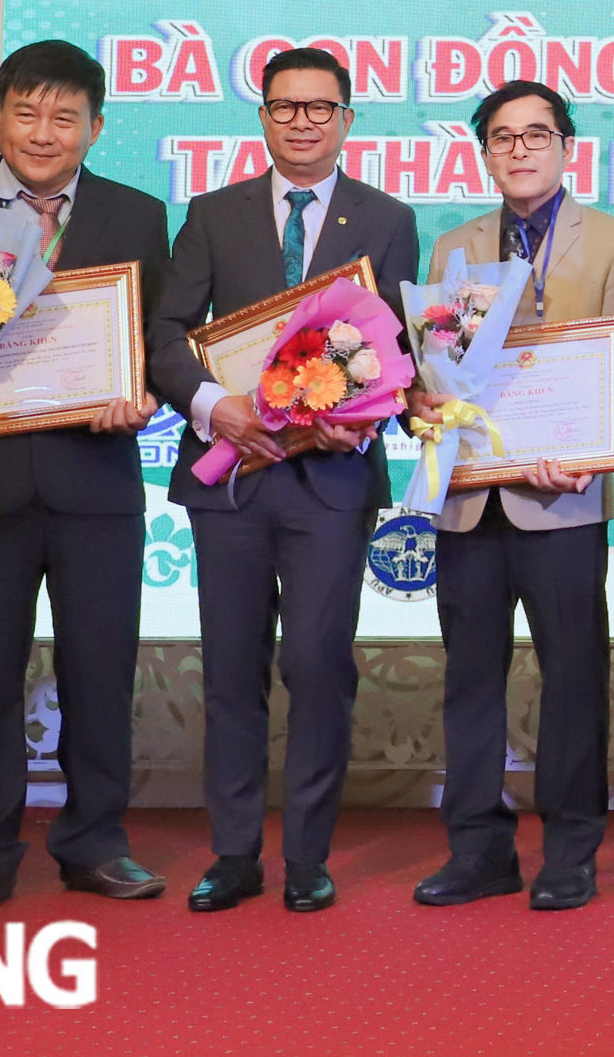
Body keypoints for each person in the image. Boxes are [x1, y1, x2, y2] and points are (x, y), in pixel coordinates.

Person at [148, 46, 419, 914]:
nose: (302, 121)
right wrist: (210, 405)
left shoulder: (385, 217)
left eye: (320, 107)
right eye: (285, 107)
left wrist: (366, 414)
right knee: (231, 668)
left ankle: (307, 852)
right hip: (230, 476)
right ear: (261, 117)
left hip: (330, 481)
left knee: (316, 661)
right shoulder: (213, 214)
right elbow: (165, 334)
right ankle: (233, 853)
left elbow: (402, 346)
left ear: (347, 119)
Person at [0, 41, 172, 917]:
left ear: (95, 128)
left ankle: (95, 841)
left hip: (96, 477)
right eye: (26, 112)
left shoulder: (139, 214)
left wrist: (139, 395)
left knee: (101, 670)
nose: (43, 131)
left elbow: (152, 341)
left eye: (65, 116)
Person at [406, 79, 614, 914]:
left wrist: (581, 451)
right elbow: (432, 371)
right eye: (502, 137)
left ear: (567, 148)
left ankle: (571, 850)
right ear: (484, 153)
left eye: (537, 135)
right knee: (471, 677)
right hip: (469, 499)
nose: (520, 150)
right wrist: (419, 403)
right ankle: (478, 848)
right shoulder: (452, 247)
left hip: (563, 498)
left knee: (573, 677)